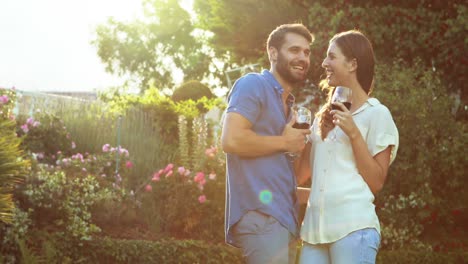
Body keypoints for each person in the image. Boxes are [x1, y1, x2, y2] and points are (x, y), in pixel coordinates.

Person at [295, 30, 399, 264]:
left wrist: (353, 133)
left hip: (354, 229)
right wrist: (292, 142)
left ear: (353, 64)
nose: (323, 63)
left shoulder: (377, 114)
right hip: (314, 232)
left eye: (331, 57)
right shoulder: (323, 116)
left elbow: (376, 181)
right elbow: (300, 175)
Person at [221, 23, 314, 264]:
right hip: (262, 217)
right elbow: (231, 139)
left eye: (306, 52)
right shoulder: (253, 84)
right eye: (294, 50)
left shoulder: (290, 108)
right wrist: (284, 142)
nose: (302, 57)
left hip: (286, 220)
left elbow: (290, 176)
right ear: (273, 53)